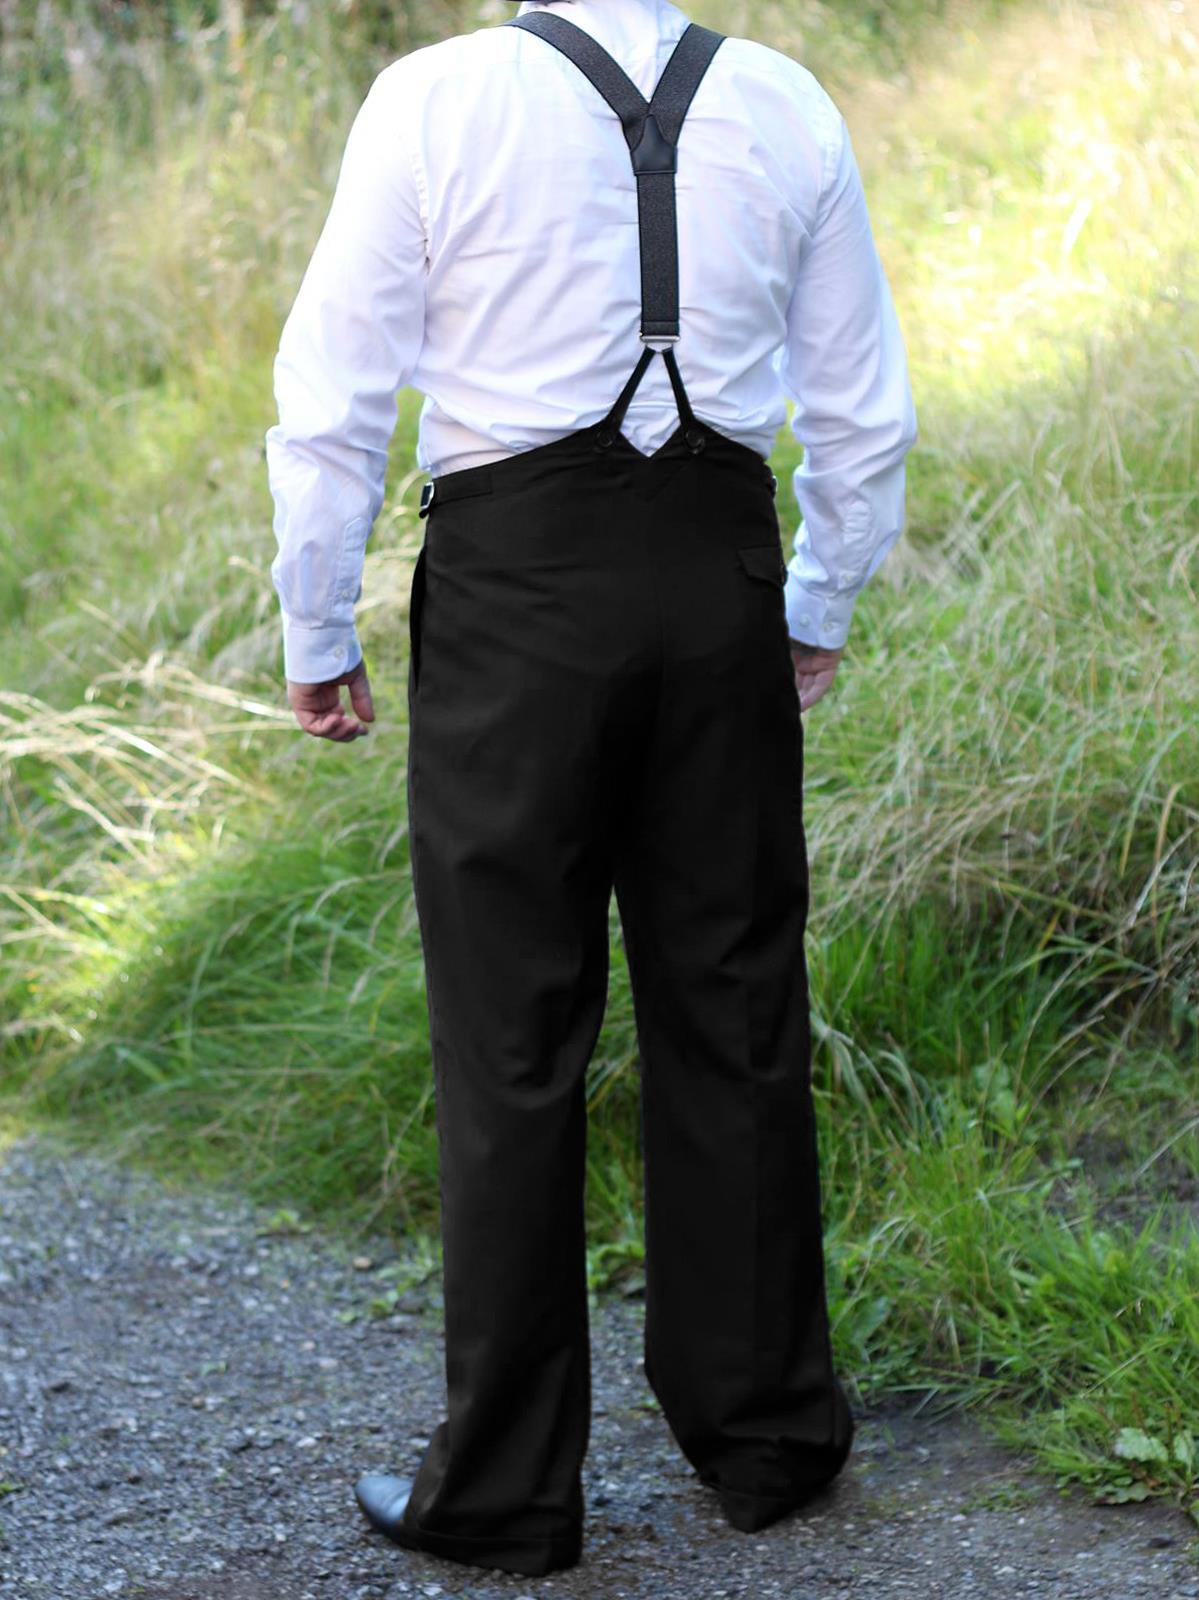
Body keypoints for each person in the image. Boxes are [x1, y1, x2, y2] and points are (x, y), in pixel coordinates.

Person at [264, 0, 916, 1579]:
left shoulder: (434, 98)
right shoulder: (785, 102)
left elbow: (336, 388)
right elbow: (862, 407)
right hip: (716, 576)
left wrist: (316, 620)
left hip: (519, 596)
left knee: (509, 1036)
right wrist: (817, 599)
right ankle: (768, 1434)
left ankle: (504, 1490)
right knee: (735, 1006)